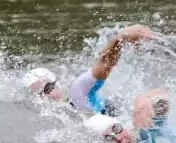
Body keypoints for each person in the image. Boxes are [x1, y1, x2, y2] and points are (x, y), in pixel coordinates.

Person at [21, 24, 157, 114]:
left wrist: (120, 38)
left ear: (57, 82)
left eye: (48, 89)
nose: (47, 97)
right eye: (40, 95)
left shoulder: (78, 93)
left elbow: (105, 64)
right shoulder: (58, 115)